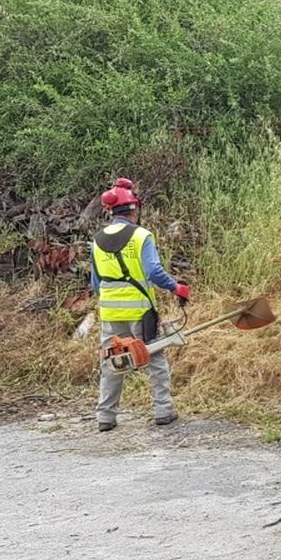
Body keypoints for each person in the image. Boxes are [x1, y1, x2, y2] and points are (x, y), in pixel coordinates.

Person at [90, 177, 190, 431]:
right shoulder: (142, 236)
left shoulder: (97, 241)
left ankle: (105, 418)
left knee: (111, 361)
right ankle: (163, 411)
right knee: (154, 359)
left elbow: (95, 282)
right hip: (140, 312)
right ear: (134, 209)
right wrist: (176, 287)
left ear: (110, 211)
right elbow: (154, 271)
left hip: (110, 314)